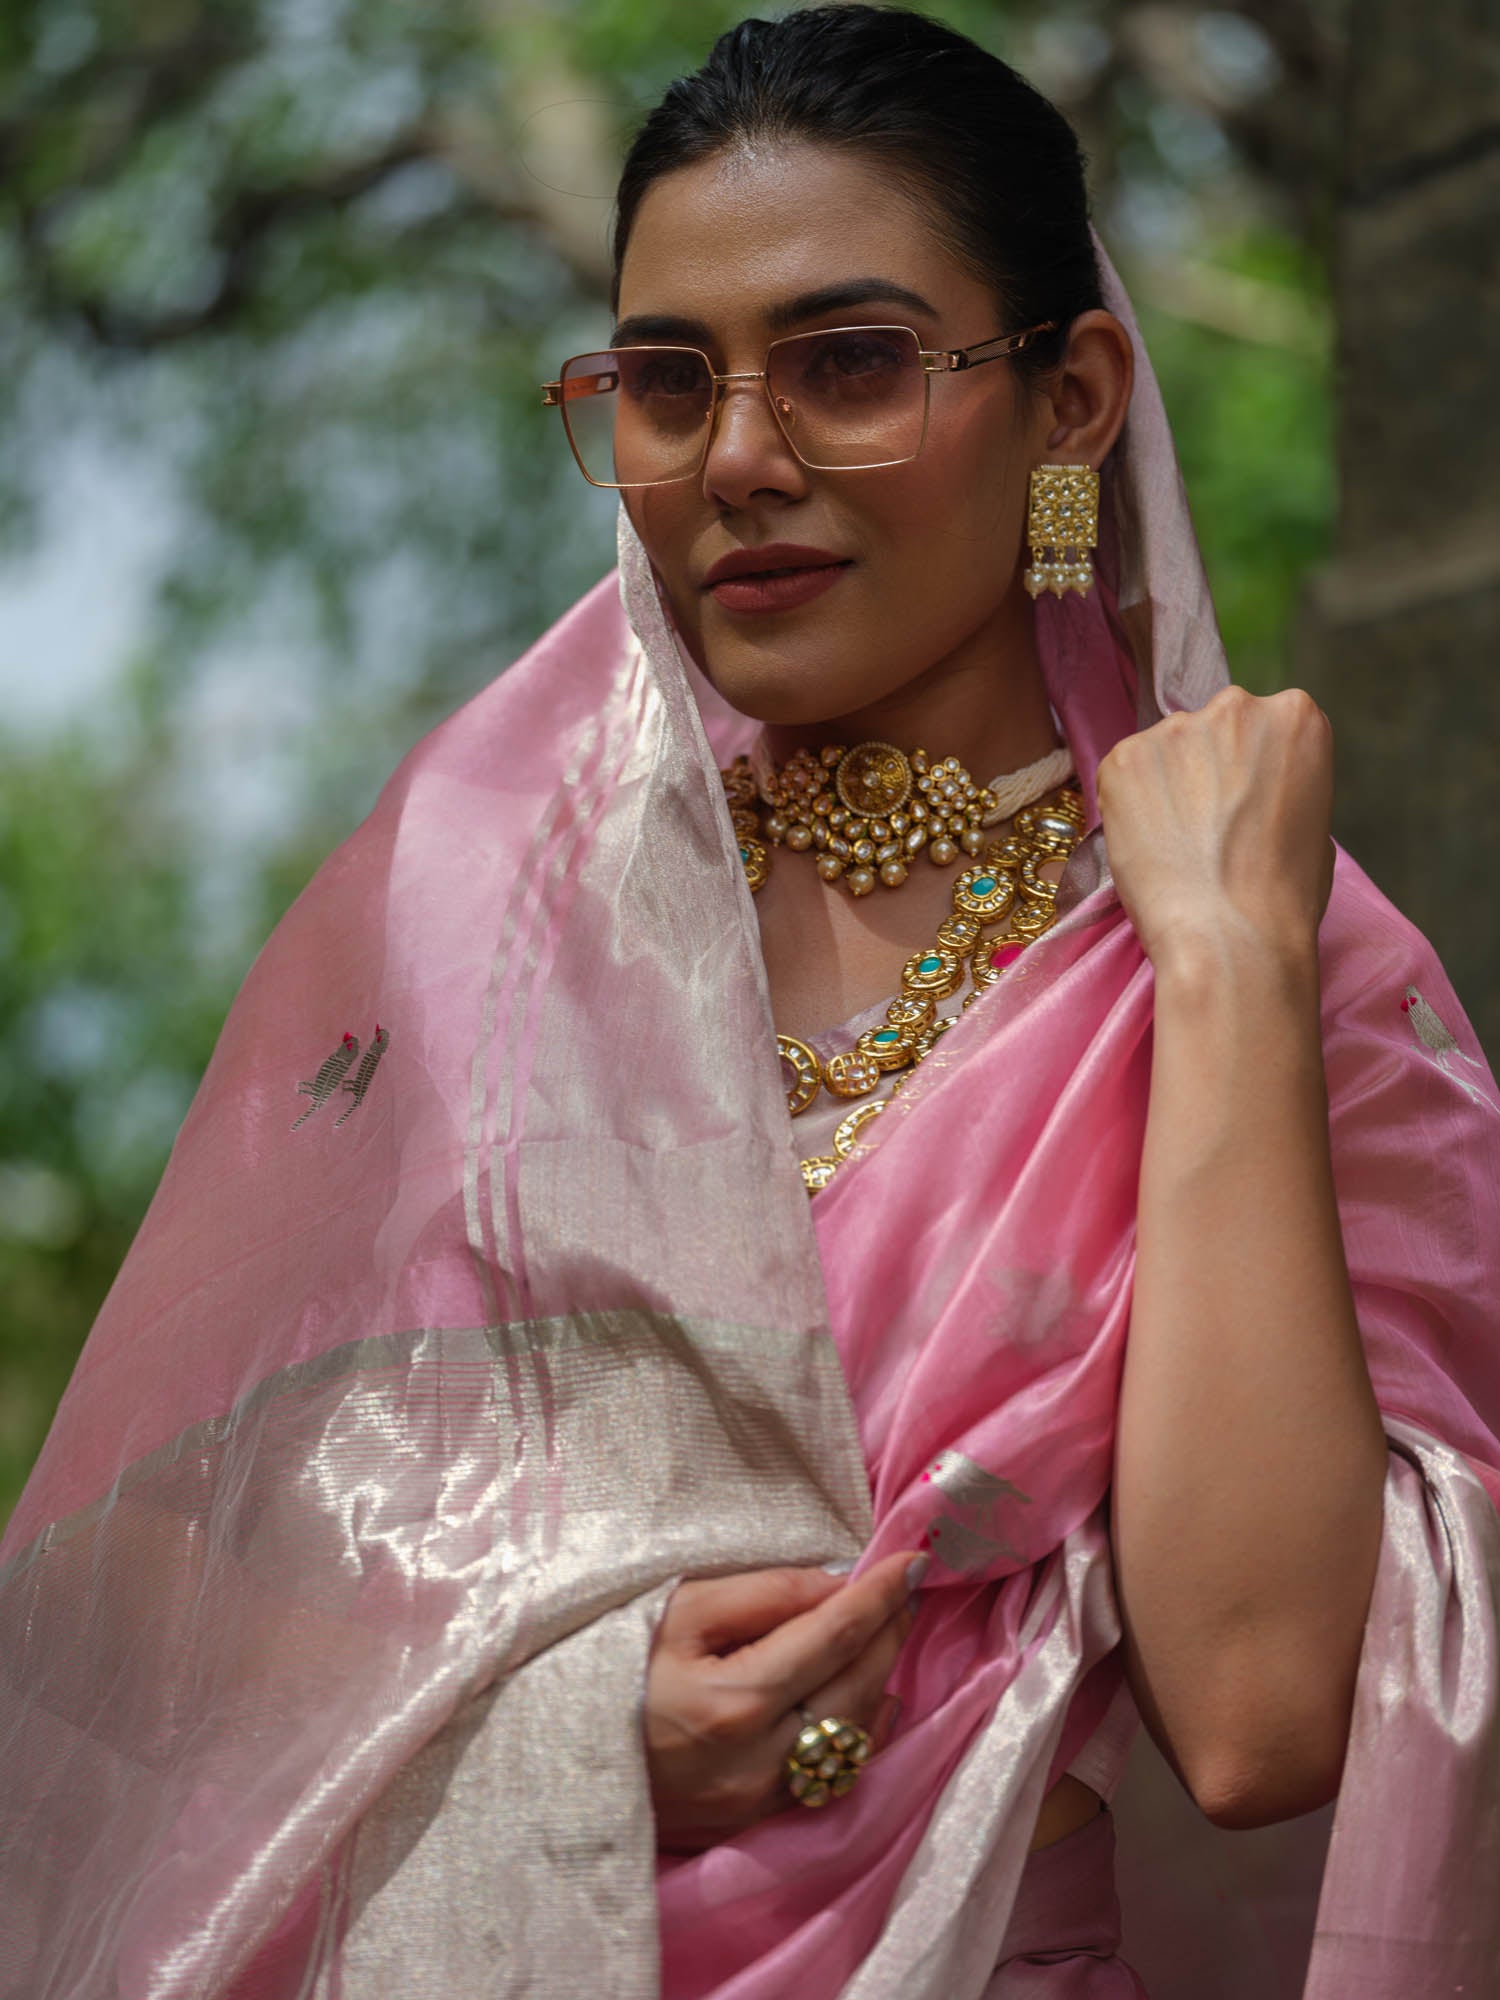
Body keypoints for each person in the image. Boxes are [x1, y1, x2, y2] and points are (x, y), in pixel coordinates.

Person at [1, 7, 1497, 1997]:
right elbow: (152, 1576)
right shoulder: (501, 929)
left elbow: (1256, 1708)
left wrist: (1220, 968)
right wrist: (567, 1724)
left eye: (852, 364)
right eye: (663, 381)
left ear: (1073, 404)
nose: (736, 461)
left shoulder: (1253, 938)